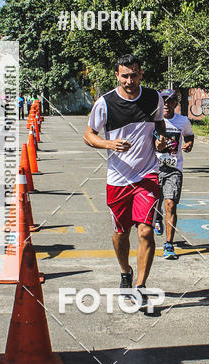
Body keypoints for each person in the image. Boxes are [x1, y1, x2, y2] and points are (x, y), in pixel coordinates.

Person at [83, 54, 165, 310]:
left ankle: (140, 286)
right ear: (117, 76)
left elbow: (159, 124)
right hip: (118, 179)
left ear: (141, 74)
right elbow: (88, 135)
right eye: (125, 75)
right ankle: (125, 271)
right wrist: (109, 144)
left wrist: (160, 140)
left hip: (147, 175)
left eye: (134, 74)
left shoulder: (154, 98)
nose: (130, 80)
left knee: (146, 231)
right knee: (121, 233)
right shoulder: (105, 103)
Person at [153, 89, 194, 259]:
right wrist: (158, 144)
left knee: (170, 204)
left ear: (176, 104)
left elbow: (189, 136)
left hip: (174, 170)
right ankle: (157, 218)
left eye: (170, 101)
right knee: (155, 204)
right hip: (153, 168)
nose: (167, 104)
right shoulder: (154, 120)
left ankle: (169, 245)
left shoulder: (183, 121)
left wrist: (189, 144)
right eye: (164, 101)